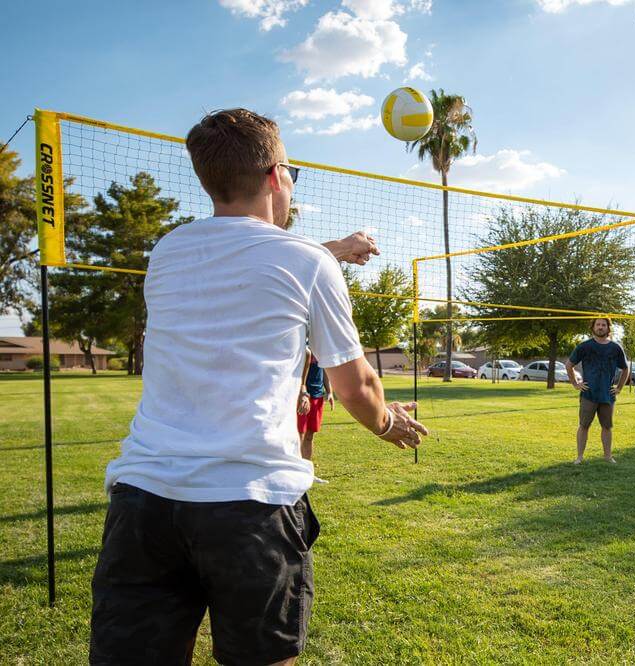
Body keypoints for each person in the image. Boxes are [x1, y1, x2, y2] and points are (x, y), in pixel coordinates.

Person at [90, 108, 428, 666]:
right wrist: (388, 423)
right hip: (249, 504)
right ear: (276, 175)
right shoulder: (309, 262)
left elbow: (251, 264)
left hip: (143, 501)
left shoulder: (167, 251)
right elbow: (356, 384)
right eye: (293, 170)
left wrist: (329, 251)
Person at [566, 317, 629, 464]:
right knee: (584, 426)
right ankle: (579, 457)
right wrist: (575, 384)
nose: (600, 327)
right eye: (598, 324)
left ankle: (608, 456)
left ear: (608, 328)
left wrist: (619, 387)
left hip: (607, 395)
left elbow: (625, 368)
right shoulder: (584, 346)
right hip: (589, 394)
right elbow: (569, 365)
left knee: (607, 427)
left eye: (603, 325)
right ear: (593, 327)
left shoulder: (615, 347)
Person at [297, 347, 334, 484]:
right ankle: (295, 472)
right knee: (299, 435)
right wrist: (302, 394)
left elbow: (325, 370)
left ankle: (307, 473)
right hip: (302, 396)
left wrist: (329, 391)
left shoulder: (321, 348)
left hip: (318, 396)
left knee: (310, 435)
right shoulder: (302, 346)